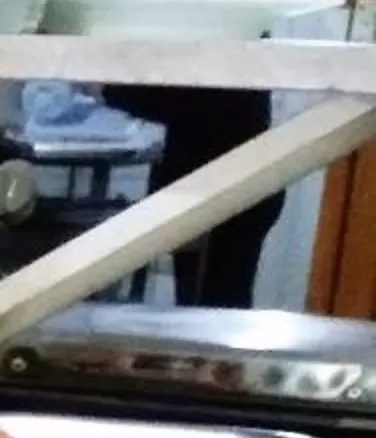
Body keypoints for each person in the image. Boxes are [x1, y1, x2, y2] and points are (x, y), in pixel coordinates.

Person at [96, 85, 286, 309]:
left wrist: (109, 90)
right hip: (233, 182)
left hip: (219, 188)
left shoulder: (220, 65)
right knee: (215, 301)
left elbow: (181, 101)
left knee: (211, 303)